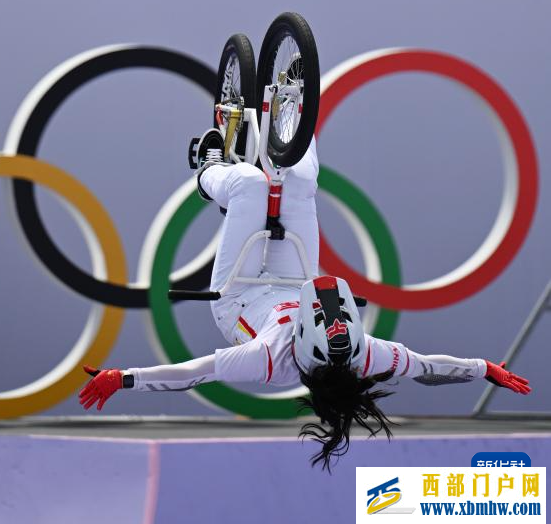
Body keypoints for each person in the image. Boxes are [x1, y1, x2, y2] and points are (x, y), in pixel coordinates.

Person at [79, 141, 530, 467]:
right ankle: (292, 118)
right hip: (297, 278)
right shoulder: (364, 354)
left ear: (299, 341)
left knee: (251, 186)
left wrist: (125, 379)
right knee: (302, 180)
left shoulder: (266, 361)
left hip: (239, 292)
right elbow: (427, 368)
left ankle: (207, 169)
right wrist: (484, 369)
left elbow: (192, 373)